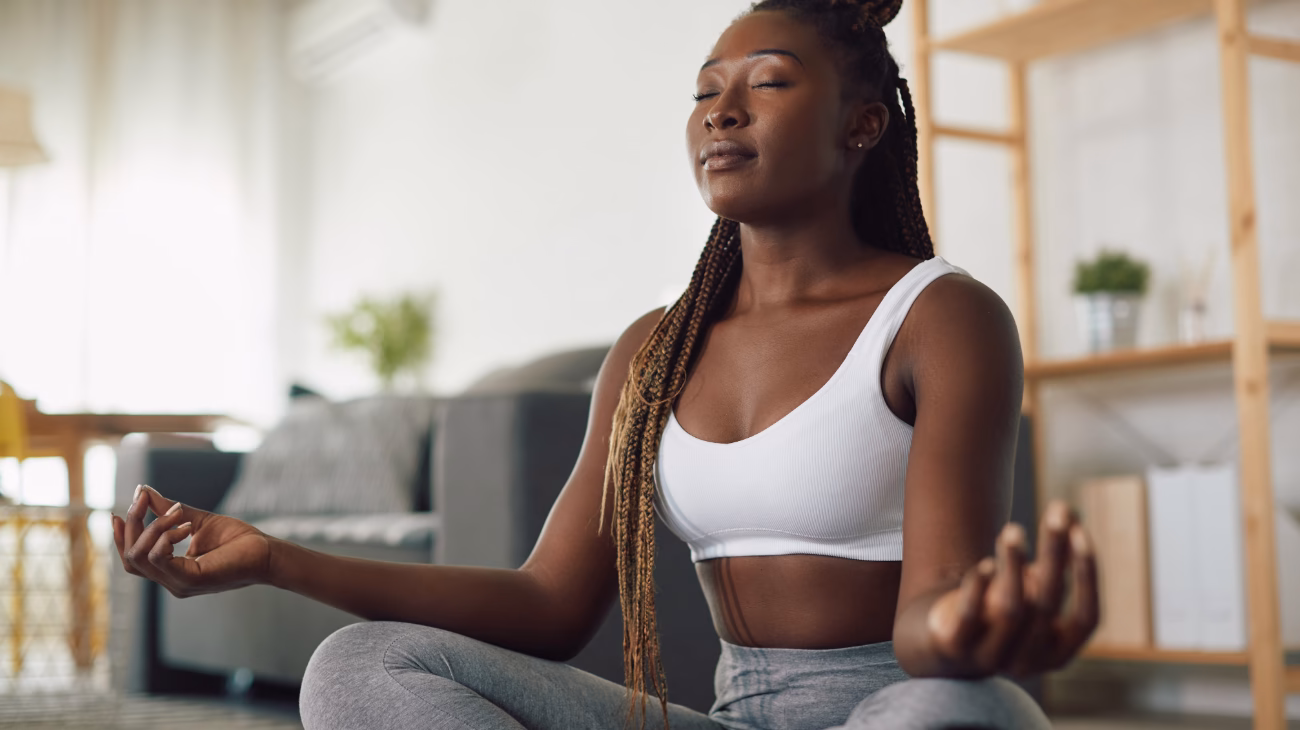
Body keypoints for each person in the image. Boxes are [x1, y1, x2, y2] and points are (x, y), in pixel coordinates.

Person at [112, 1, 1099, 728]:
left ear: (862, 123)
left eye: (767, 82)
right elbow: (547, 603)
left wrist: (979, 625)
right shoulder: (652, 352)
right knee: (358, 668)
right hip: (727, 717)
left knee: (961, 715)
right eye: (706, 92)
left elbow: (929, 626)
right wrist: (276, 558)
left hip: (896, 708)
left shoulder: (940, 316)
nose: (722, 111)